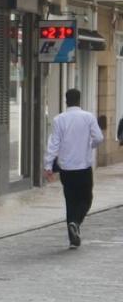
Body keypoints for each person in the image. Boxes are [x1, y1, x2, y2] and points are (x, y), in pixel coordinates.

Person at [43, 89, 104, 248]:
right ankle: (76, 223)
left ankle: (73, 239)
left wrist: (48, 165)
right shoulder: (88, 117)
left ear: (66, 101)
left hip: (66, 168)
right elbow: (98, 138)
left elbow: (53, 143)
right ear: (79, 100)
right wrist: (90, 145)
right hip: (83, 167)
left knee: (70, 200)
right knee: (86, 199)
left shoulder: (59, 119)